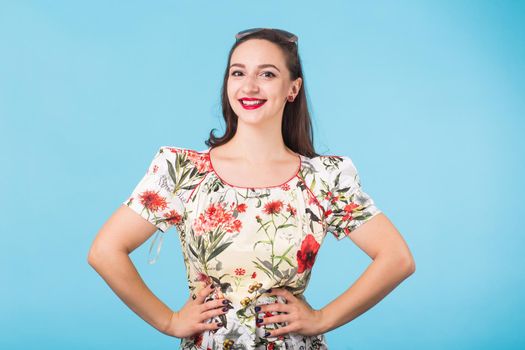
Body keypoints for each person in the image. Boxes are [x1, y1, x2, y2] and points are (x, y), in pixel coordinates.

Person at [87, 28, 415, 350]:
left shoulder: (324, 178)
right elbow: (105, 251)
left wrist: (322, 318)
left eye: (268, 74)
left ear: (293, 88)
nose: (250, 86)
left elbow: (397, 258)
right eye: (238, 72)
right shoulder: (183, 171)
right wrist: (169, 321)